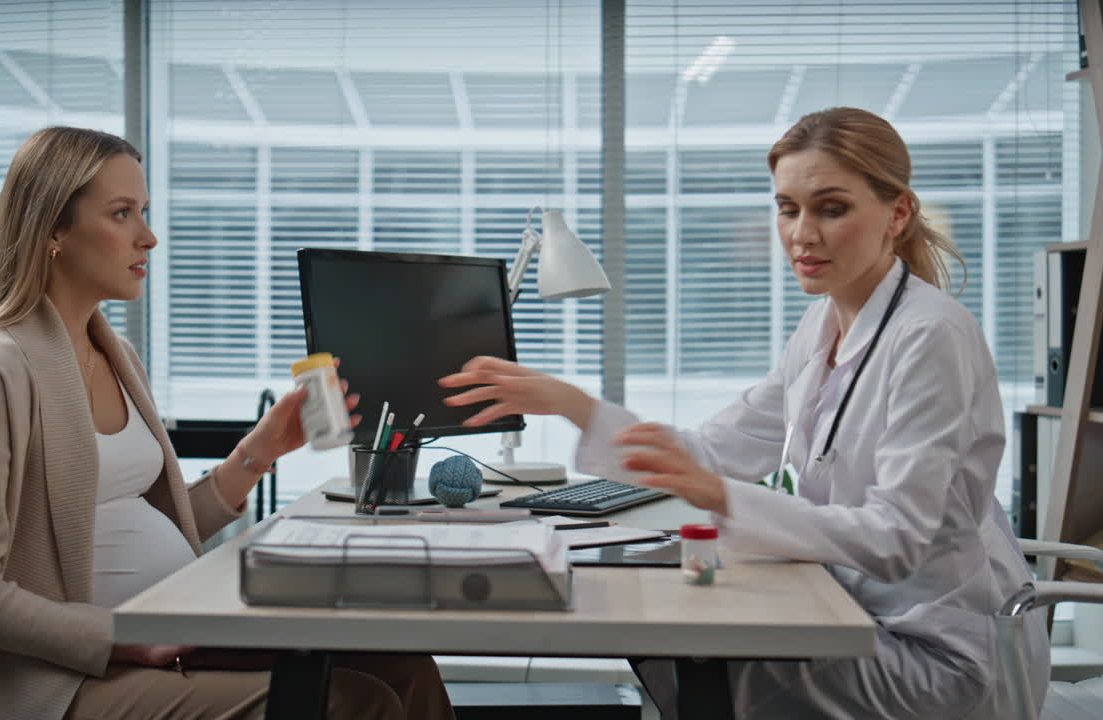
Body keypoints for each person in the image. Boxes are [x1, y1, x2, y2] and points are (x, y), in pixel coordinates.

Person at [439, 107, 1048, 719]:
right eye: (788, 208)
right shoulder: (821, 325)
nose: (802, 235)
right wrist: (575, 406)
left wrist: (722, 497)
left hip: (930, 649)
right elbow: (711, 452)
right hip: (850, 610)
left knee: (694, 649)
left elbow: (896, 537)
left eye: (830, 208)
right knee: (672, 640)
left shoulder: (931, 334)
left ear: (897, 213)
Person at [0, 126, 453, 720]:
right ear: (53, 231)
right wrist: (119, 636)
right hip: (56, 678)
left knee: (402, 667)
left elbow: (160, 525)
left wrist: (258, 452)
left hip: (169, 633)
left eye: (143, 212)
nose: (149, 237)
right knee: (353, 704)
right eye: (122, 214)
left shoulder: (114, 353)